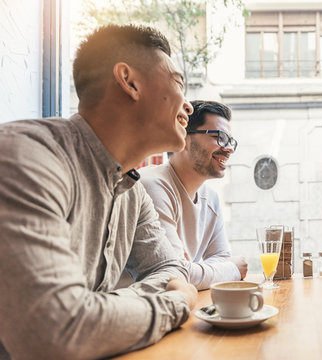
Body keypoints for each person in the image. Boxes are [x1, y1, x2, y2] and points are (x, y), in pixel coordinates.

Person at [0, 24, 199, 359]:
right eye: (178, 83)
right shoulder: (26, 158)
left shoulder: (132, 189)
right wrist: (176, 303)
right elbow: (56, 333)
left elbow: (171, 268)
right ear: (129, 81)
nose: (189, 107)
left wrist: (96, 309)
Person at [140, 100, 248, 290]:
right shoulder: (152, 186)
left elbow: (219, 257)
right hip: (142, 310)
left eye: (230, 141)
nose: (229, 148)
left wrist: (193, 270)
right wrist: (232, 269)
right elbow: (173, 276)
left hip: (183, 304)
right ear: (184, 139)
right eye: (220, 137)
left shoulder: (211, 198)